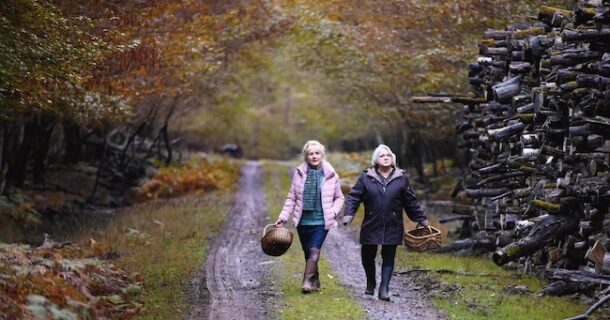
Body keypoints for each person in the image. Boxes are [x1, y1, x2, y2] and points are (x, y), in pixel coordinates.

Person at [342, 144, 429, 301]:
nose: (386, 157)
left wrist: (421, 219)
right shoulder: (366, 177)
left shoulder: (401, 178)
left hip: (393, 223)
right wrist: (349, 214)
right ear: (376, 159)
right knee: (367, 255)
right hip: (371, 222)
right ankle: (371, 282)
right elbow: (354, 196)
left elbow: (410, 201)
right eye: (382, 155)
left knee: (389, 255)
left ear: (393, 158)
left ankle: (384, 289)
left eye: (388, 155)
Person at [274, 140, 345, 293]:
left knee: (314, 251)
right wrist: (283, 217)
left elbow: (340, 197)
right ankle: (316, 280)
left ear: (322, 155)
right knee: (308, 253)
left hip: (321, 221)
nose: (314, 156)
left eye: (317, 153)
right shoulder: (299, 174)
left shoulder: (331, 175)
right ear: (306, 157)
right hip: (303, 221)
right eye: (310, 154)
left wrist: (333, 212)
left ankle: (306, 282)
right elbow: (292, 197)